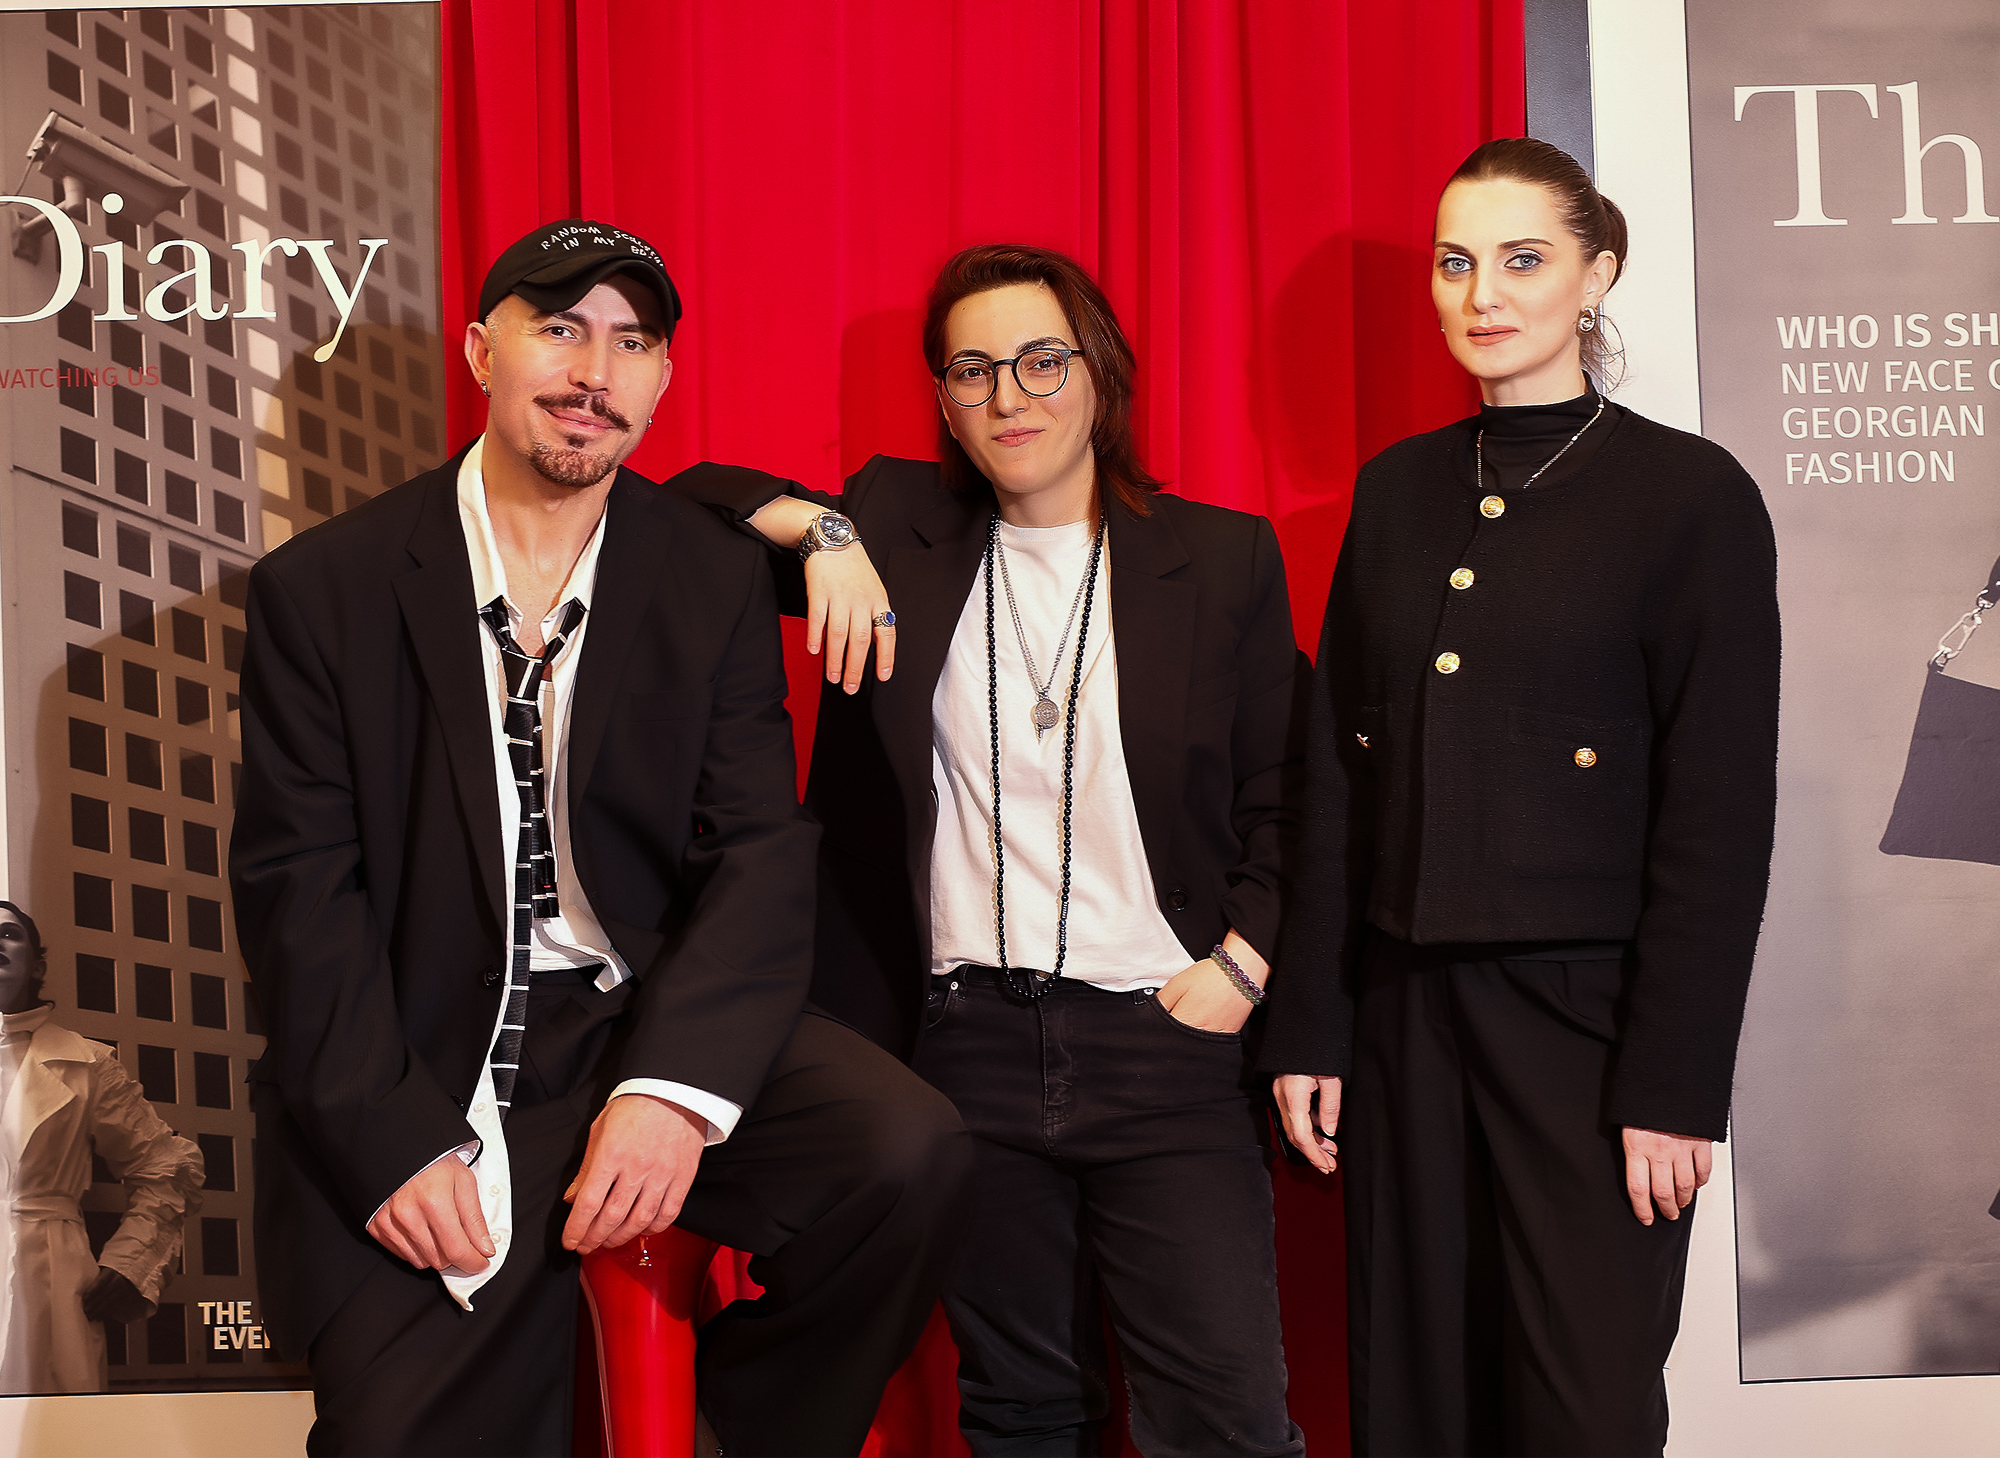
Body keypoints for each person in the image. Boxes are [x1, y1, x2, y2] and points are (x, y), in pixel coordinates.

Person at [229, 220, 974, 1458]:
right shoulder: (325, 589)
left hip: (640, 1014)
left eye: (632, 344)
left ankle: (736, 1432)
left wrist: (674, 1092)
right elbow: (298, 895)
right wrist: (391, 1141)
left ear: (663, 378)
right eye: (561, 329)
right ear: (482, 350)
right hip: (429, 1056)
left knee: (906, 1153)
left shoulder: (704, 577)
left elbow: (757, 849)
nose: (594, 373)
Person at [674, 244, 1308, 1457]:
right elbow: (678, 502)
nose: (1008, 395)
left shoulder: (1220, 559)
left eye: (1039, 361)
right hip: (960, 1046)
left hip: (1166, 1042)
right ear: (945, 401)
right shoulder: (893, 533)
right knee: (1021, 1414)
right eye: (971, 371)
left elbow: (1289, 793)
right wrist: (820, 531)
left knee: (1224, 1422)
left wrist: (1239, 969)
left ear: (1099, 373)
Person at [1259, 137, 1782, 1458]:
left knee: (1582, 1409)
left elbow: (1717, 819)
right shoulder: (1396, 489)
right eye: (1455, 262)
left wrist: (1676, 1081)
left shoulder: (1690, 496)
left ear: (1595, 275)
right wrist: (1311, 1024)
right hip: (1404, 1015)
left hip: (1588, 1029)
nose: (1481, 293)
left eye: (1522, 259)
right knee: (1417, 1397)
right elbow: (1341, 779)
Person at [0, 900, 203, 1394]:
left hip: (49, 1270)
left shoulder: (88, 1065)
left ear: (38, 965)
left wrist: (131, 1262)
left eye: (8, 933)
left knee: (53, 1424)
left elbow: (166, 1166)